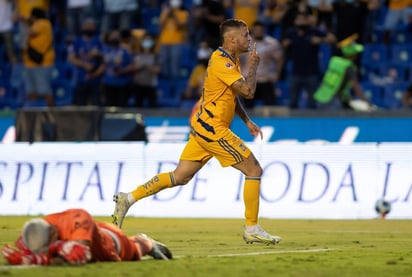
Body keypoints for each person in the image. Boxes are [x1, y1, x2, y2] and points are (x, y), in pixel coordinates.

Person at [112, 19, 281, 245]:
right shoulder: (223, 62)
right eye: (246, 35)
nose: (250, 39)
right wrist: (255, 66)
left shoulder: (229, 60)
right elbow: (248, 91)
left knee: (179, 176)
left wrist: (247, 121)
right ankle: (252, 227)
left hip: (203, 126)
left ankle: (128, 198)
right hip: (214, 129)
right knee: (254, 169)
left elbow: (233, 96)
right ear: (232, 39)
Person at [1, 208, 172, 266]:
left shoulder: (78, 220)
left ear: (53, 233)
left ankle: (145, 242)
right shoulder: (32, 233)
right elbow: (35, 251)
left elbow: (80, 256)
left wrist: (35, 260)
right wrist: (25, 256)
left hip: (109, 242)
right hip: (84, 237)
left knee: (134, 252)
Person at [313, 34, 372, 110]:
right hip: (333, 101)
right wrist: (367, 102)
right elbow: (355, 87)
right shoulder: (349, 67)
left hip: (321, 97)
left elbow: (338, 82)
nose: (357, 56)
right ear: (353, 54)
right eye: (356, 53)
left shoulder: (334, 60)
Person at [240, 20, 284, 108]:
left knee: (270, 108)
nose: (259, 32)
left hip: (266, 79)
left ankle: (270, 122)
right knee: (247, 109)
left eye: (261, 30)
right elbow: (237, 59)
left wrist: (277, 74)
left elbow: (279, 59)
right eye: (257, 30)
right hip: (248, 80)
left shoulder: (272, 43)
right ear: (252, 30)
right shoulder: (245, 42)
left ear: (264, 30)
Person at [23, 7, 55, 107]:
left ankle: (52, 113)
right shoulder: (36, 24)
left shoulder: (43, 23)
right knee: (31, 91)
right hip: (31, 63)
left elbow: (30, 32)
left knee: (44, 90)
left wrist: (24, 20)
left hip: (43, 63)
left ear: (34, 16)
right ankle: (33, 114)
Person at [68, 18, 104, 106]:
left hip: (95, 79)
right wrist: (85, 65)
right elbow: (71, 58)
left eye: (91, 27)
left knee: (96, 104)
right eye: (87, 26)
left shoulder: (98, 42)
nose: (89, 29)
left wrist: (98, 54)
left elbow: (105, 60)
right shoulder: (77, 41)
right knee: (79, 105)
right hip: (80, 78)